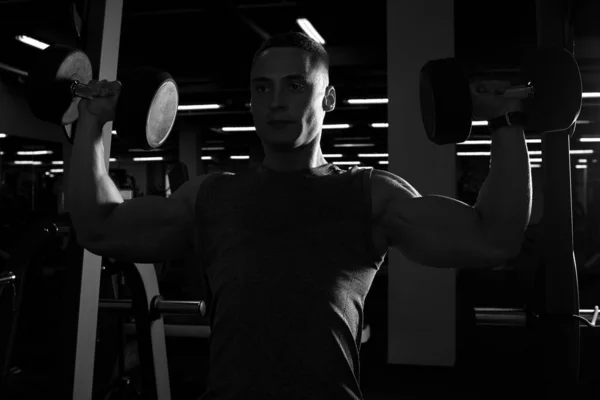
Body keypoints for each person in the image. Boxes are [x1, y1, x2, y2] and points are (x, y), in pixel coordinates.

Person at [67, 32, 531, 400]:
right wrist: (90, 123)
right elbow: (99, 226)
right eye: (262, 87)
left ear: (328, 99)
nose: (276, 101)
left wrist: (506, 123)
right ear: (250, 100)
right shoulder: (212, 196)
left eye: (295, 85)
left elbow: (493, 239)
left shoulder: (367, 195)